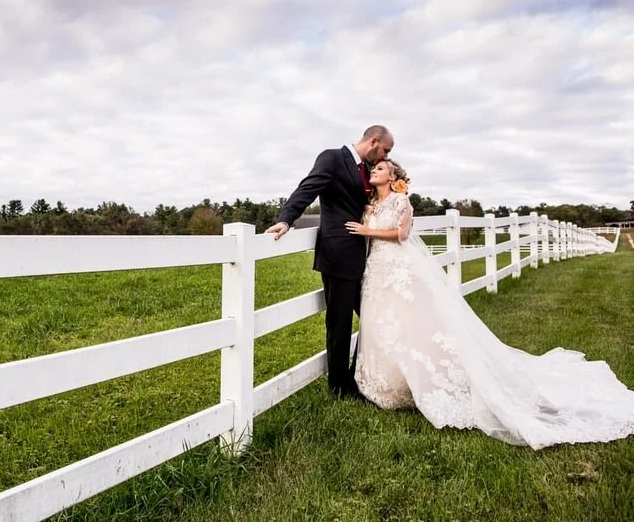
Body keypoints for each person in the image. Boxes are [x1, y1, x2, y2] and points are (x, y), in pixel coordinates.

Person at [344, 160, 634, 448]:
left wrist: (367, 231)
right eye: (374, 169)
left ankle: (418, 383)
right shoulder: (370, 206)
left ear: (394, 177)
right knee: (384, 323)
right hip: (377, 271)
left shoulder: (400, 202)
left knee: (409, 324)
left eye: (381, 169)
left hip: (401, 270)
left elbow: (402, 234)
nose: (374, 171)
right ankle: (390, 386)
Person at [265, 125, 394, 397]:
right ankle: (339, 386)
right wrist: (285, 219)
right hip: (337, 254)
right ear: (373, 142)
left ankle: (363, 376)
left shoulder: (366, 172)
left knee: (374, 317)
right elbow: (307, 188)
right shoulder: (333, 158)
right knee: (340, 323)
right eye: (385, 150)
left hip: (361, 255)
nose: (386, 156)